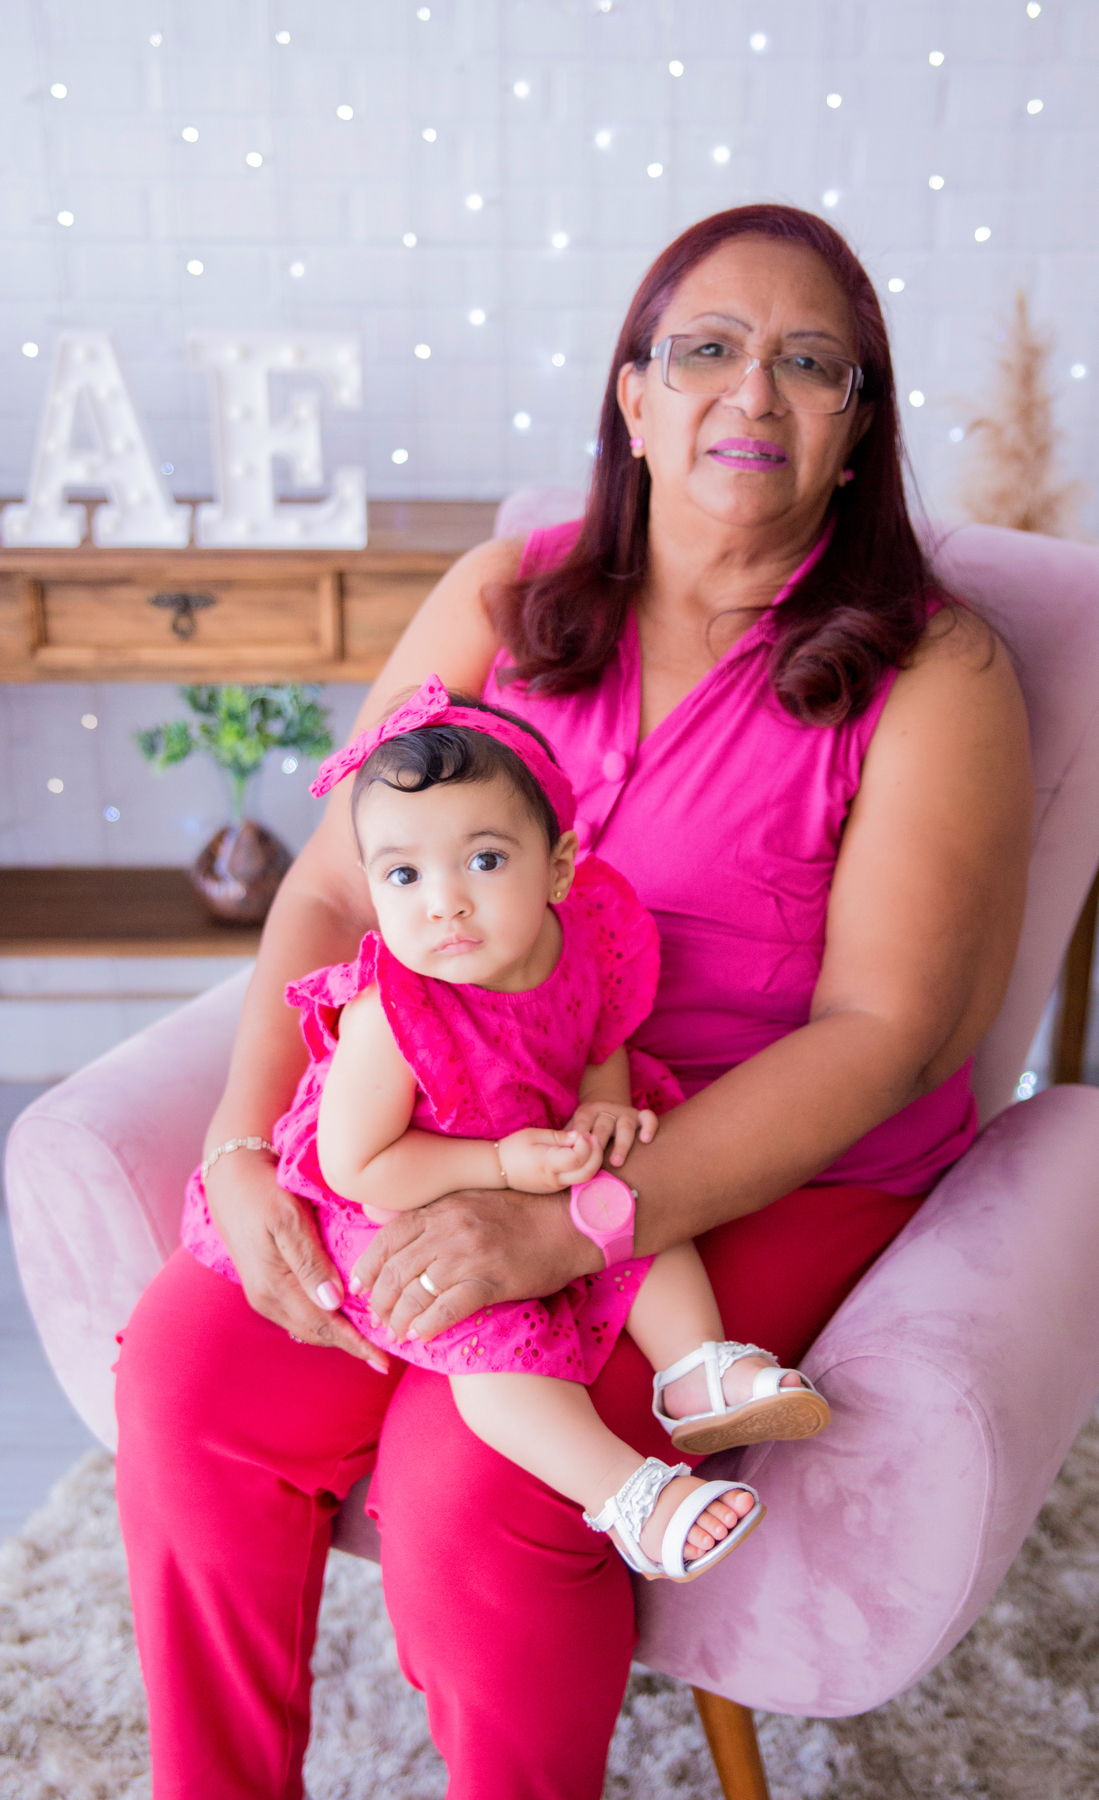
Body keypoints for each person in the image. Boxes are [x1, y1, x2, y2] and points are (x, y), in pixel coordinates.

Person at [114, 202, 1032, 1800]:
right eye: (707, 351)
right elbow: (334, 892)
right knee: (189, 1378)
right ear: (633, 396)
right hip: (450, 1122)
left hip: (756, 1156)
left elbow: (890, 1037)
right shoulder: (503, 598)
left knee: (479, 1474)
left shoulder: (933, 671)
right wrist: (246, 1147)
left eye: (811, 365)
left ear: (858, 426)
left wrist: (568, 1227)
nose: (751, 397)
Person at [180, 677, 832, 1581]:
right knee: (492, 1345)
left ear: (558, 866)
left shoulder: (577, 937)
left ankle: (696, 1370)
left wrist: (604, 1101)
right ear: (373, 890)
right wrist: (497, 1165)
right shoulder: (391, 1018)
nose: (443, 902)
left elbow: (598, 1028)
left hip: (535, 1144)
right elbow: (358, 1162)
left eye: (483, 861)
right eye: (404, 876)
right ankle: (633, 1495)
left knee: (633, 1205)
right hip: (410, 1181)